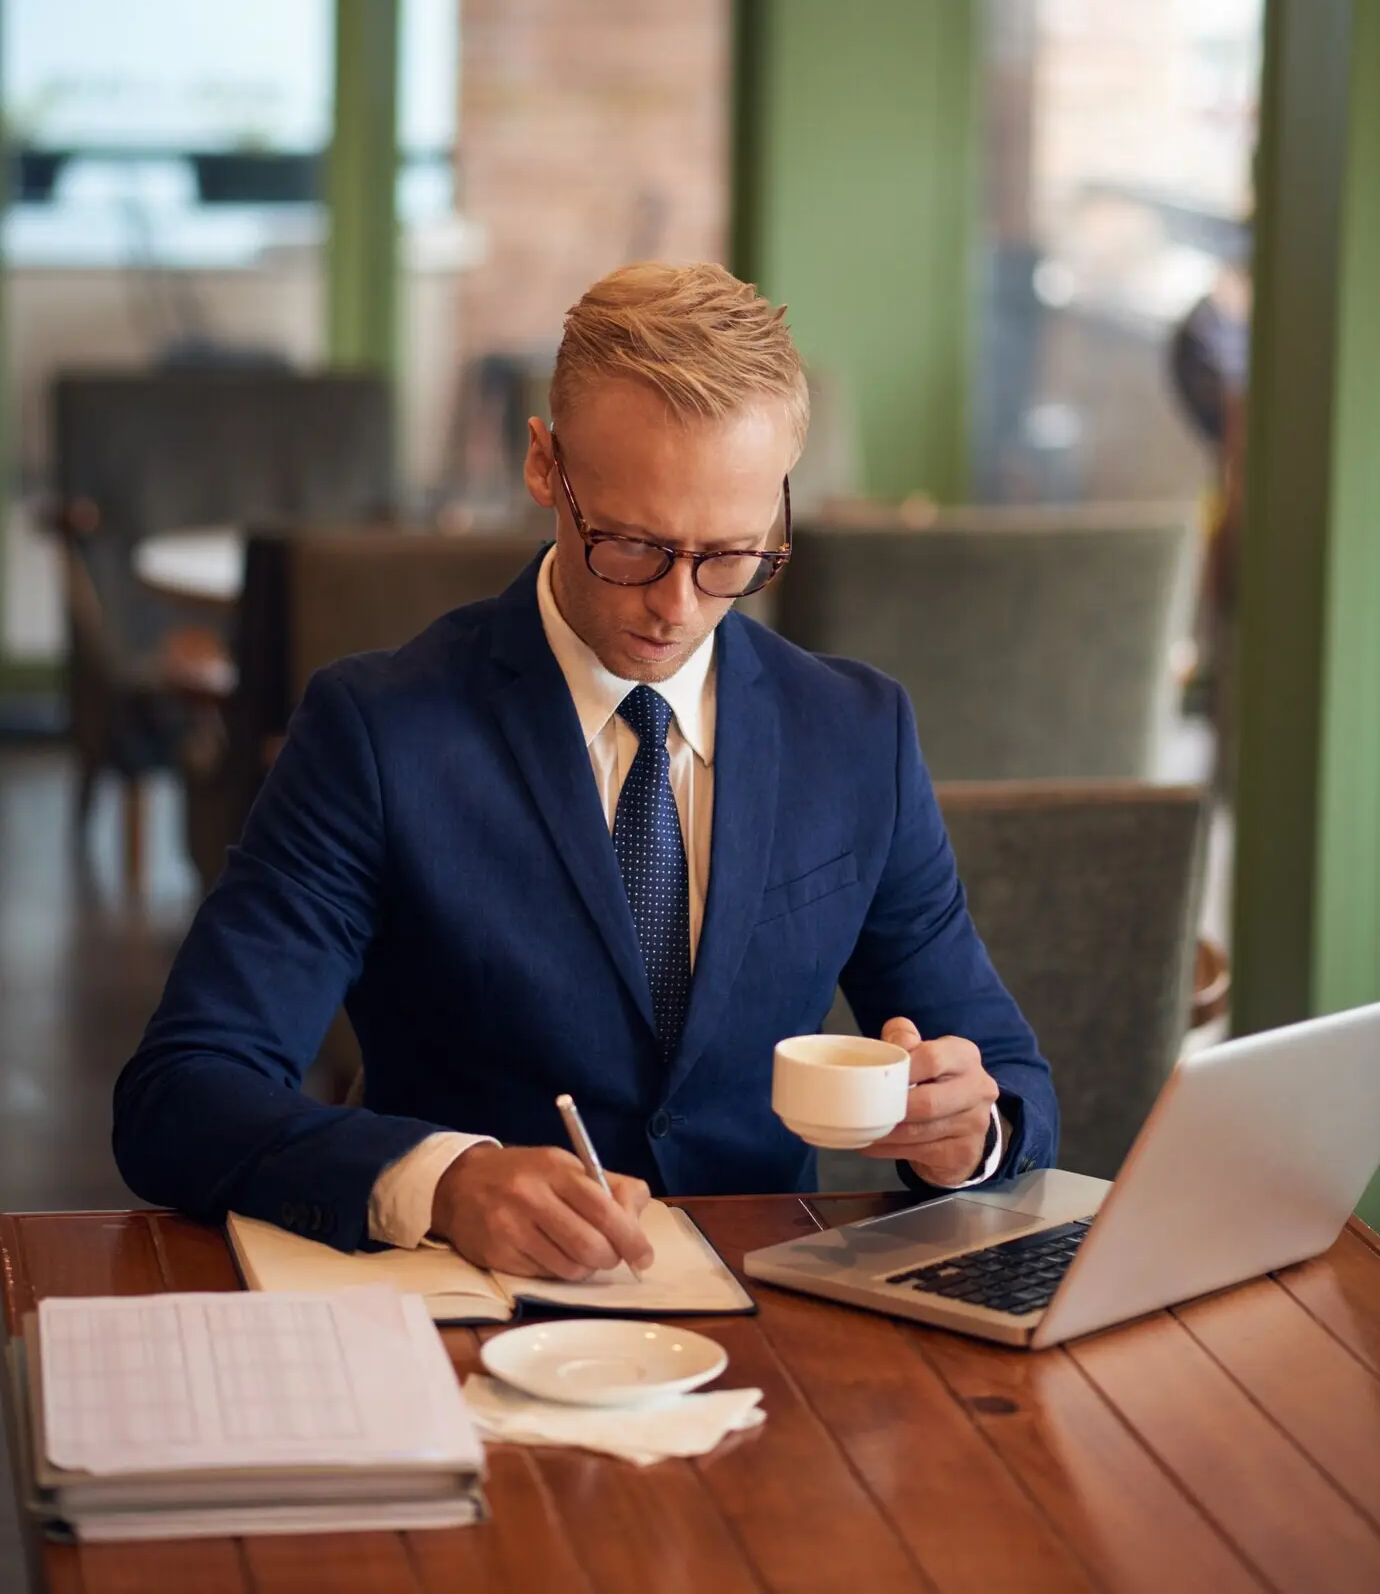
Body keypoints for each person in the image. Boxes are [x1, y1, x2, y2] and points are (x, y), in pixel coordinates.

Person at [114, 263, 1056, 1282]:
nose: (678, 606)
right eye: (635, 546)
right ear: (542, 465)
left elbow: (1012, 1083)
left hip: (775, 1322)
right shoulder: (377, 731)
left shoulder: (856, 732)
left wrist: (973, 1133)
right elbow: (182, 1094)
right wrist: (445, 1181)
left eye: (732, 557)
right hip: (479, 1318)